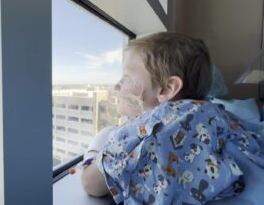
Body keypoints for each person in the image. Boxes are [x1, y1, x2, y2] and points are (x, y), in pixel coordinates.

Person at [80, 32, 264, 205]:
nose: (116, 86)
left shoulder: (149, 126)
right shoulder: (214, 111)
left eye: (126, 77)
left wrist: (95, 150)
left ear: (168, 89)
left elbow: (91, 184)